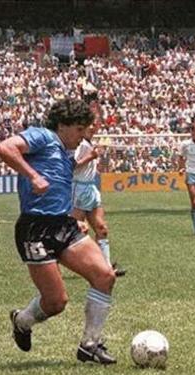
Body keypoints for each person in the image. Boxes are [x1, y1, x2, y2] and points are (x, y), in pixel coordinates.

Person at [0, 98, 117, 365]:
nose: (83, 135)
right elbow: (5, 148)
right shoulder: (43, 136)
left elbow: (61, 177)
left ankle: (90, 344)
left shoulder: (65, 150)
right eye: (79, 129)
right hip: (35, 229)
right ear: (62, 125)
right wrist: (32, 176)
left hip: (63, 224)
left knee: (105, 276)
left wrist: (75, 216)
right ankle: (22, 321)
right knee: (56, 302)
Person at [71, 104, 126, 277]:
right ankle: (52, 264)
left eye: (96, 124)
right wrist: (91, 157)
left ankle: (106, 268)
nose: (94, 127)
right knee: (73, 232)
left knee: (101, 228)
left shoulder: (88, 143)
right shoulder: (79, 144)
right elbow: (70, 165)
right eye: (91, 124)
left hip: (90, 187)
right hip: (79, 188)